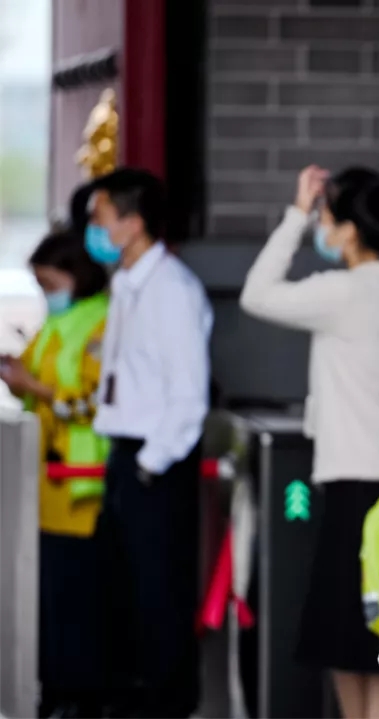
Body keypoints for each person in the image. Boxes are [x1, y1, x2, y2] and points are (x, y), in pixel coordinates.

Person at [239, 165, 379, 719]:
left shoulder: (346, 291)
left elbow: (257, 294)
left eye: (326, 216)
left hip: (355, 486)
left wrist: (295, 214)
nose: (320, 225)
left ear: (348, 229)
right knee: (378, 638)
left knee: (348, 640)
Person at [86, 167, 213, 718]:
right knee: (121, 595)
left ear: (132, 223)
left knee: (159, 595)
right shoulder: (127, 283)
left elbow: (189, 394)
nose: (93, 226)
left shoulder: (172, 291)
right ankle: (129, 700)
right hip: (128, 457)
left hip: (155, 462)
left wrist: (149, 464)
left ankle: (164, 705)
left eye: (101, 216)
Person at [0, 228, 111, 718]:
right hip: (48, 486)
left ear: (77, 275)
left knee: (79, 602)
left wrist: (32, 386)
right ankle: (55, 690)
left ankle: (79, 697)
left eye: (50, 283)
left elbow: (94, 403)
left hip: (84, 485)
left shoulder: (103, 323)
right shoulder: (56, 324)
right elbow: (33, 376)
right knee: (52, 598)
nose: (48, 294)